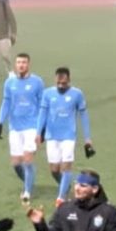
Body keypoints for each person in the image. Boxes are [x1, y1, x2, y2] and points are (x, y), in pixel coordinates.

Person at [37, 66, 93, 206]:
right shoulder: (47, 94)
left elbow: (83, 116)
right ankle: (67, 186)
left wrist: (87, 138)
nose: (61, 86)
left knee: (66, 167)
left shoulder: (77, 94)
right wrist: (38, 132)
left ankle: (61, 198)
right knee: (54, 170)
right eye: (58, 83)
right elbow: (42, 114)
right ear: (55, 80)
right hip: (52, 136)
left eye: (64, 83)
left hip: (68, 136)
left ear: (69, 80)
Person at [0, 52, 45, 205]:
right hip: (15, 127)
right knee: (16, 163)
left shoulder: (37, 82)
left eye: (24, 62)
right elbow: (6, 102)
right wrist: (0, 122)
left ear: (28, 64)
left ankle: (27, 191)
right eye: (18, 62)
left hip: (31, 126)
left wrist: (42, 127)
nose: (21, 65)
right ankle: (29, 181)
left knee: (28, 160)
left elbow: (43, 105)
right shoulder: (9, 83)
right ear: (15, 65)